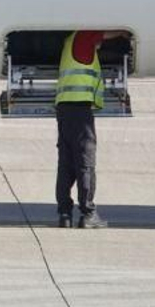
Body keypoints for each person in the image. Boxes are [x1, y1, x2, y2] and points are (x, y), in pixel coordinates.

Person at [55, 29, 129, 229]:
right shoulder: (83, 35)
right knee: (85, 163)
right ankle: (88, 214)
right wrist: (123, 32)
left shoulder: (69, 41)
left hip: (64, 108)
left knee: (66, 164)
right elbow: (101, 34)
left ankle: (64, 214)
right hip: (80, 110)